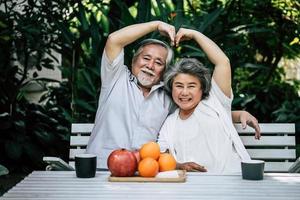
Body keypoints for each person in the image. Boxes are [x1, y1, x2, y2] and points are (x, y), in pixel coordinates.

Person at [86, 21, 260, 169]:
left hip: (144, 171)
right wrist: (156, 25)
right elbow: (114, 40)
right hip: (100, 166)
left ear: (164, 71)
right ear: (133, 61)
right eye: (146, 58)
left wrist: (237, 115)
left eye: (158, 62)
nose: (150, 65)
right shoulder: (115, 79)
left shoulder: (168, 96)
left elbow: (195, 112)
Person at [158, 28, 260, 174]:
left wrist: (194, 34)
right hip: (193, 187)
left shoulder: (215, 102)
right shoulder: (170, 122)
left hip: (231, 181)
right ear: (171, 88)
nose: (184, 92)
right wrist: (179, 165)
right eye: (179, 86)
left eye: (192, 86)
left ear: (202, 89)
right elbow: (162, 155)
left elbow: (222, 62)